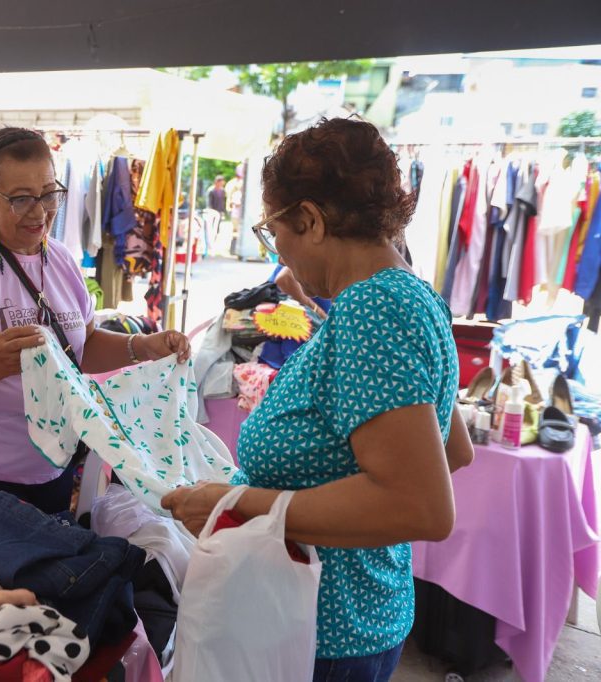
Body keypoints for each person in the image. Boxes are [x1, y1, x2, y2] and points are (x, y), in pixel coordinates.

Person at [161, 117, 475, 682]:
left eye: (273, 230)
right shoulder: (409, 294)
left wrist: (238, 502)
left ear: (309, 219)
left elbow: (421, 505)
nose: (278, 252)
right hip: (359, 610)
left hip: (323, 630)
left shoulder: (373, 311)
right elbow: (453, 451)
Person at [0, 127, 190, 514]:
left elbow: (82, 347)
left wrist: (142, 347)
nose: (39, 211)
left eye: (49, 194)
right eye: (20, 199)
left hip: (51, 469)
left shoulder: (60, 258)